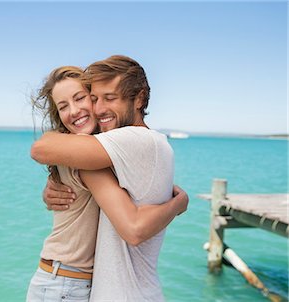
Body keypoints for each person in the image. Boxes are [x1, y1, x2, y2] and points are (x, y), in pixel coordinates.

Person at [28, 62, 188, 301]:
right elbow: (40, 148)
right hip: (63, 284)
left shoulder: (101, 150)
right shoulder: (86, 159)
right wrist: (178, 204)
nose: (74, 111)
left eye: (82, 98)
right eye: (63, 106)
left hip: (66, 283)